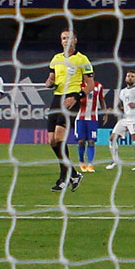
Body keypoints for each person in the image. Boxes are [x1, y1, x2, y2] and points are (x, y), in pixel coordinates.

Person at [44, 30, 93, 192]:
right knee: (52, 141)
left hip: (71, 99)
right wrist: (49, 82)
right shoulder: (56, 59)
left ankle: (64, 177)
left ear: (75, 40)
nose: (66, 41)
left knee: (59, 137)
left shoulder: (82, 59)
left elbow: (90, 85)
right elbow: (51, 78)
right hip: (57, 98)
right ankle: (73, 174)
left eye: (69, 38)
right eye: (63, 38)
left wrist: (76, 97)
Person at [106, 71, 135, 171]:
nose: (130, 78)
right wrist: (116, 108)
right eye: (128, 76)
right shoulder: (122, 92)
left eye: (132, 76)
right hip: (125, 119)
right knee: (112, 138)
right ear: (125, 78)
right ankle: (116, 161)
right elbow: (121, 105)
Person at [74, 78, 106, 172]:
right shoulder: (78, 85)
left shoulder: (98, 86)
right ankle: (81, 162)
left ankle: (90, 164)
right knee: (81, 141)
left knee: (91, 141)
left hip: (92, 119)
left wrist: (105, 113)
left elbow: (101, 100)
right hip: (80, 118)